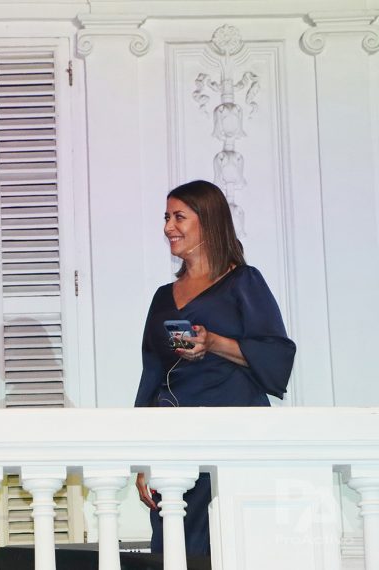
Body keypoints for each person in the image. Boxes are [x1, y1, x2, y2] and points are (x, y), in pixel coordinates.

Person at [133, 180, 295, 557]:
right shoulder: (162, 296)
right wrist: (142, 456)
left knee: (231, 546)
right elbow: (151, 374)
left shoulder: (243, 281)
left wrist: (214, 342)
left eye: (179, 217)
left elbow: (277, 355)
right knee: (174, 549)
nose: (168, 227)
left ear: (207, 221)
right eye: (166, 217)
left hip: (232, 436)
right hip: (174, 441)